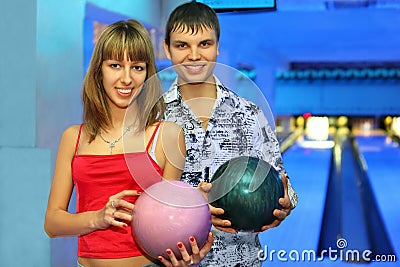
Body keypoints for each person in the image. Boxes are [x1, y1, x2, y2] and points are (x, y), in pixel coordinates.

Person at [44, 20, 213, 267]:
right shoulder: (73, 138)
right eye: (115, 65)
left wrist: (195, 216)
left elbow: (169, 224)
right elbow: (52, 223)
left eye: (137, 67)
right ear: (99, 70)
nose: (126, 78)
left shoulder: (167, 136)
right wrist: (98, 218)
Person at [162, 2, 299, 266]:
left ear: (217, 47)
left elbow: (284, 184)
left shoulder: (250, 113)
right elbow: (143, 197)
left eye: (204, 44)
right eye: (182, 45)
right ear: (167, 48)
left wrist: (284, 204)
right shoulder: (152, 117)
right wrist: (194, 208)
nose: (194, 55)